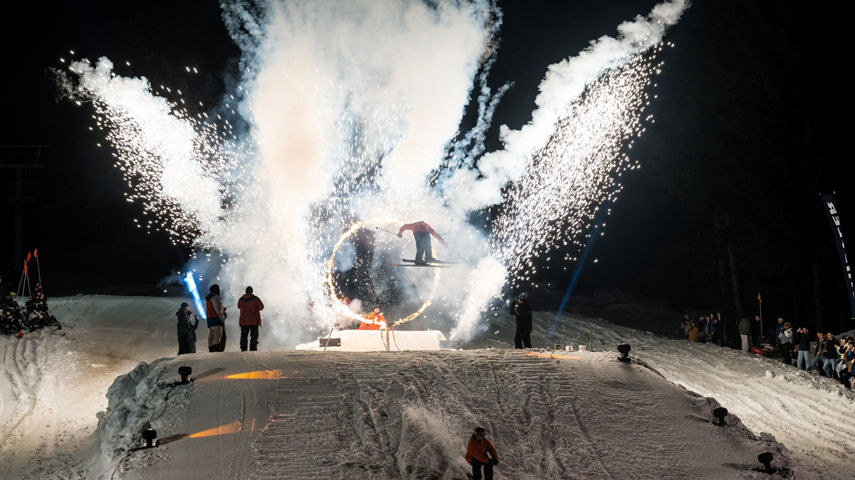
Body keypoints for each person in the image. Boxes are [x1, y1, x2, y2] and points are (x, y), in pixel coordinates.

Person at [237, 286, 264, 352]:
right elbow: (261, 307)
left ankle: (243, 349)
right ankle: (253, 348)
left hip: (244, 321)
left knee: (244, 336)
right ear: (252, 291)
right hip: (254, 321)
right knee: (254, 336)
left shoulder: (241, 299)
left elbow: (238, 306)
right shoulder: (256, 299)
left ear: (245, 291)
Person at [205, 284, 228, 352]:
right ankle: (215, 349)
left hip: (210, 319)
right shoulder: (215, 298)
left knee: (211, 335)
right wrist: (223, 317)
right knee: (218, 335)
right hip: (216, 319)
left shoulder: (209, 298)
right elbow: (218, 310)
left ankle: (211, 348)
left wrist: (223, 309)